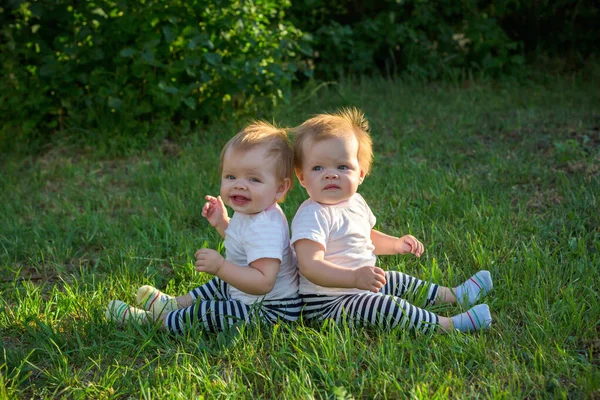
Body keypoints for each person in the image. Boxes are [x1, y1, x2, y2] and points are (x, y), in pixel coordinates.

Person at [290, 107, 493, 334]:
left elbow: (366, 237)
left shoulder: (355, 202)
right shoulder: (312, 215)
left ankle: (454, 295)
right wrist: (354, 277)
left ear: (361, 174)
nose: (330, 174)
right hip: (326, 304)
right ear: (302, 178)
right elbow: (310, 265)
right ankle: (447, 325)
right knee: (385, 306)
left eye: (342, 166)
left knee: (394, 279)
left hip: (359, 286)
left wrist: (395, 244)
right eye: (318, 167)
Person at [106, 121, 301, 333]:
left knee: (210, 310)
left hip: (272, 311)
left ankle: (154, 321)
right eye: (231, 176)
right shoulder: (253, 210)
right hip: (252, 296)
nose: (239, 185)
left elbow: (264, 282)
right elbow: (244, 245)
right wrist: (222, 223)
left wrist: (221, 267)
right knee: (221, 284)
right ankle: (175, 304)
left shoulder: (266, 227)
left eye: (254, 179)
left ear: (280, 188)